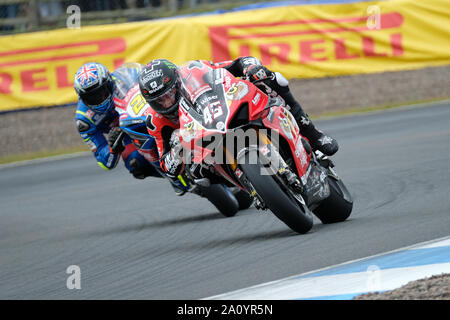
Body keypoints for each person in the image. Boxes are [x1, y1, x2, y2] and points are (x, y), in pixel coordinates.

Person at [138, 57, 339, 178]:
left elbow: (237, 63)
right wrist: (177, 152)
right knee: (200, 176)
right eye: (159, 101)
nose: (166, 103)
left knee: (268, 77)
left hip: (221, 112)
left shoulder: (193, 70)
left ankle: (313, 134)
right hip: (205, 151)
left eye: (169, 94)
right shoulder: (154, 120)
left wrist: (249, 68)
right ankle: (247, 184)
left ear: (178, 81)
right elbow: (166, 166)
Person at [73, 62, 159, 179]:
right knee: (135, 163)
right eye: (92, 97)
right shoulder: (84, 120)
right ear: (82, 98)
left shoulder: (126, 76)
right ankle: (171, 177)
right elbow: (105, 162)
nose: (100, 99)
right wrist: (112, 147)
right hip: (127, 135)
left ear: (109, 82)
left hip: (147, 114)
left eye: (102, 91)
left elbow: (151, 80)